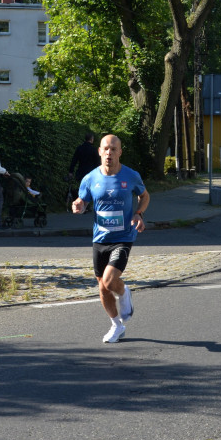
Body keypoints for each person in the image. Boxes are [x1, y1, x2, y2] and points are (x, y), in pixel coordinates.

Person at [72, 134, 149, 344]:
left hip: (123, 237)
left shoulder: (131, 176)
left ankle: (124, 293)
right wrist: (78, 204)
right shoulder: (90, 178)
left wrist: (139, 213)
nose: (109, 153)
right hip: (100, 238)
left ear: (120, 152)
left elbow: (144, 196)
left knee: (109, 280)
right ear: (99, 151)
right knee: (102, 287)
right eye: (106, 149)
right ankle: (116, 325)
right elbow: (83, 200)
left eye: (114, 149)